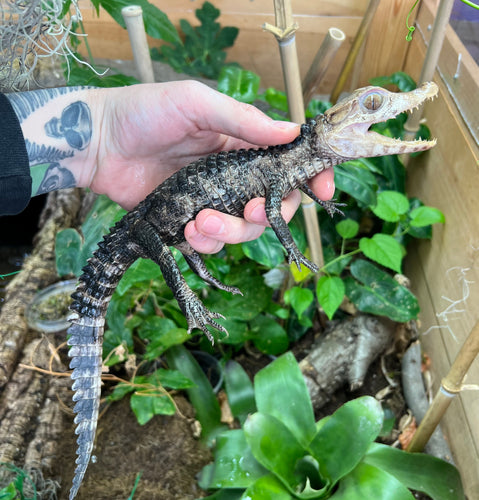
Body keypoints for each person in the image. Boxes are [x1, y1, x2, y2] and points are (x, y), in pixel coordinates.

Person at [0, 81, 335, 254]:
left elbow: (289, 185)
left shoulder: (292, 165)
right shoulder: (289, 150)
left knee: (195, 235)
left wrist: (103, 127)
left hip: (164, 204)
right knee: (188, 238)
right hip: (155, 213)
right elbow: (274, 212)